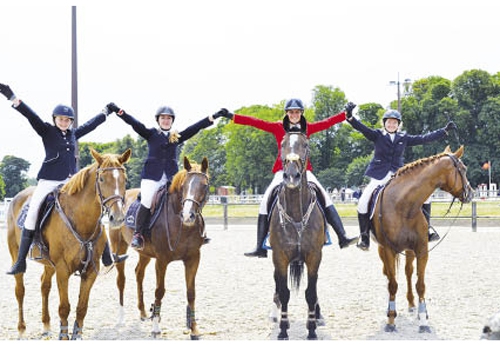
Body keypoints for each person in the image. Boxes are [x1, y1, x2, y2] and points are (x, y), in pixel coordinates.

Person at [0, 82, 127, 275]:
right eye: (61, 119)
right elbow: (30, 115)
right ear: (55, 119)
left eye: (67, 120)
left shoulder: (73, 134)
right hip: (48, 181)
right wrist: (11, 97)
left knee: (93, 210)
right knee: (33, 210)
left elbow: (90, 126)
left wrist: (105, 112)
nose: (64, 122)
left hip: (69, 182)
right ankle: (20, 261)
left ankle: (107, 255)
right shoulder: (47, 131)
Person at [216, 99, 358, 258]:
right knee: (265, 202)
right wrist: (231, 116)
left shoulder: (307, 128)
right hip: (282, 170)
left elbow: (327, 123)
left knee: (325, 196)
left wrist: (345, 114)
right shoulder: (278, 127)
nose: (294, 115)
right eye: (291, 112)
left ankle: (342, 237)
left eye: (297, 112)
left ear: (301, 113)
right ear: (287, 113)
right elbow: (255, 122)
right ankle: (260, 246)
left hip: (304, 171)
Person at [107, 102, 223, 250]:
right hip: (151, 177)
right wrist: (119, 111)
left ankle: (200, 232)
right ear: (158, 120)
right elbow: (134, 123)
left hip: (171, 178)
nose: (166, 120)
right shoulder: (151, 134)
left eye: (168, 118)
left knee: (188, 198)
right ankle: (138, 234)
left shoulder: (176, 137)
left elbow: (194, 128)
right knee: (148, 200)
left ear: (172, 120)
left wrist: (212, 117)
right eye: (163, 118)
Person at [345, 106, 457, 251]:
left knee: (426, 197)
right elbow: (362, 128)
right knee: (362, 202)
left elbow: (423, 139)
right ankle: (365, 237)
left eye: (394, 123)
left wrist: (443, 131)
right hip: (379, 175)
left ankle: (427, 230)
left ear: (399, 124)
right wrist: (350, 117)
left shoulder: (403, 137)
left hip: (399, 175)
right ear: (384, 123)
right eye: (389, 122)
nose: (391, 125)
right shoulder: (377, 135)